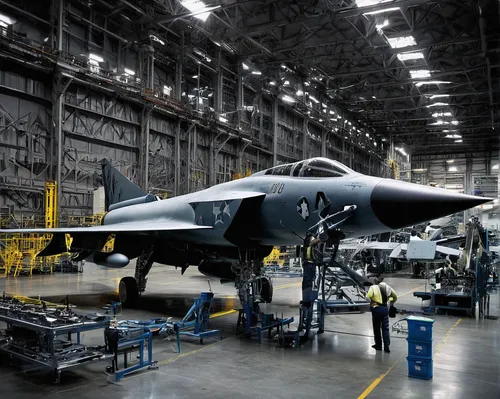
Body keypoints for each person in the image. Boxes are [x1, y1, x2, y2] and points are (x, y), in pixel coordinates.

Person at [366, 276, 397, 353]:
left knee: (376, 327)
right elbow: (395, 297)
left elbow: (367, 297)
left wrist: (372, 303)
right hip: (385, 308)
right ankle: (387, 346)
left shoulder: (373, 287)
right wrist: (391, 303)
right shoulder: (388, 287)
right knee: (385, 328)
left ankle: (378, 345)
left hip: (376, 308)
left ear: (375, 281)